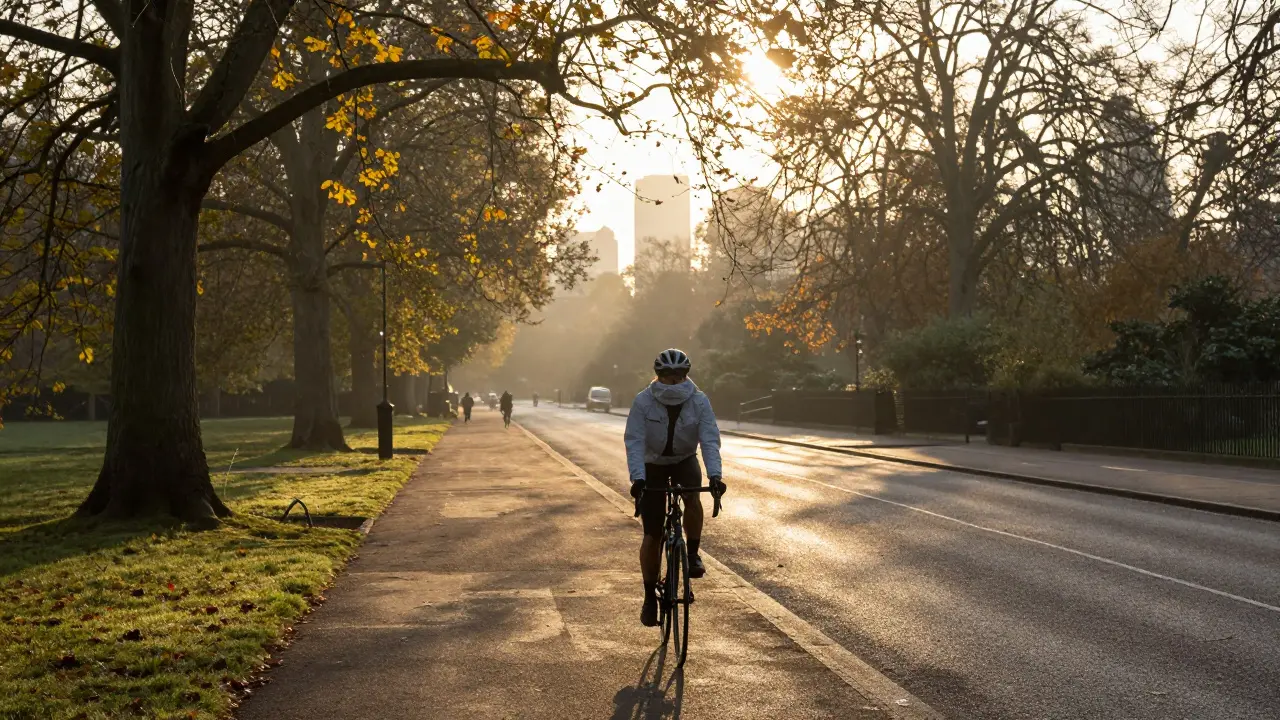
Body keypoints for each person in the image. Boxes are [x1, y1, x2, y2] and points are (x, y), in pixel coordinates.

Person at [624, 348, 726, 627]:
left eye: (679, 377)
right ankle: (648, 597)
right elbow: (634, 441)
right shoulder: (643, 401)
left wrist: (715, 476)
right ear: (658, 377)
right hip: (652, 464)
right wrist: (638, 479)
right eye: (668, 377)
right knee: (652, 533)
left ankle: (692, 555)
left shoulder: (699, 401)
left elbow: (709, 439)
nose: (674, 382)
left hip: (684, 459)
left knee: (693, 497)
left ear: (686, 376)